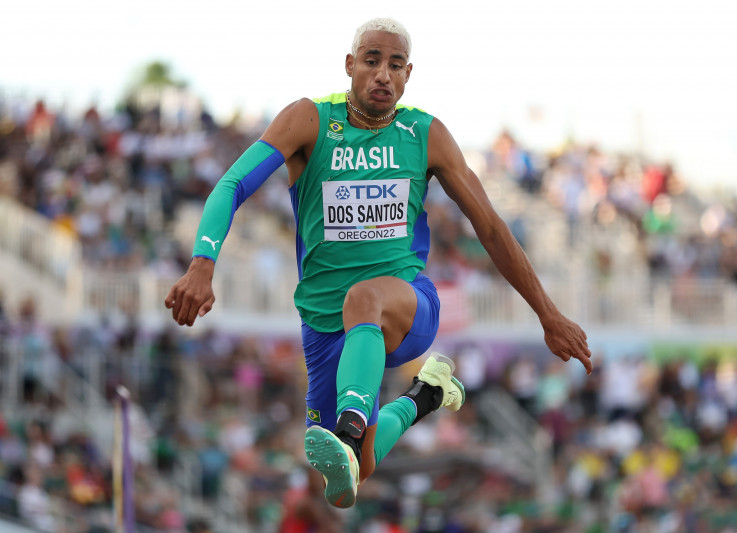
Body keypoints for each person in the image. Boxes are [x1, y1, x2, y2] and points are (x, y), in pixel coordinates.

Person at [165, 17, 593, 509]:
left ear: (408, 74)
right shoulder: (309, 121)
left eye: (395, 65)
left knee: (363, 301)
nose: (383, 74)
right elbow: (232, 184)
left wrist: (548, 313)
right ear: (350, 65)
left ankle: (349, 428)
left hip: (405, 307)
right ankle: (424, 397)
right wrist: (202, 262)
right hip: (325, 325)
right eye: (372, 61)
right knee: (347, 480)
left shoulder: (425, 135)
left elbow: (492, 229)